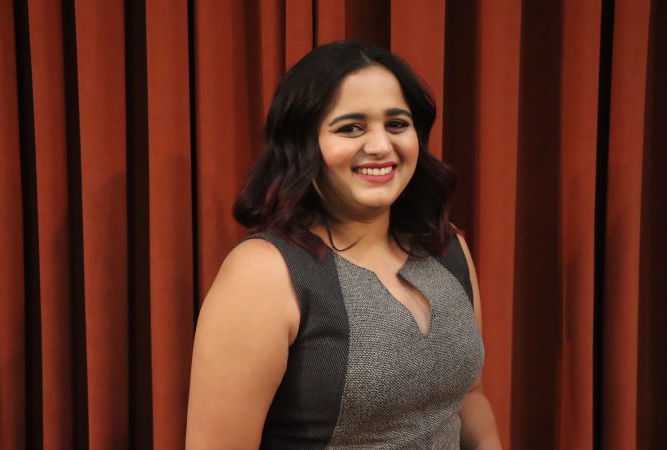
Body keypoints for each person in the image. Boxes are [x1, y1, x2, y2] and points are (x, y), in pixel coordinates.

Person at [186, 41, 502, 450]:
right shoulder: (263, 273)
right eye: (351, 127)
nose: (380, 146)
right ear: (304, 144)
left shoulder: (448, 248)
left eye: (396, 124)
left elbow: (469, 398)